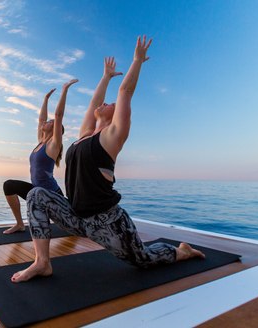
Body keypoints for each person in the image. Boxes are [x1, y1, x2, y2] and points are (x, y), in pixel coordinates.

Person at [12, 36, 205, 282]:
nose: (106, 102)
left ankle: (181, 252)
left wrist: (136, 61)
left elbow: (125, 91)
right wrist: (105, 77)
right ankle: (42, 263)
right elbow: (94, 102)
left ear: (116, 115)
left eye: (111, 103)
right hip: (76, 215)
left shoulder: (113, 136)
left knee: (143, 260)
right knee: (35, 195)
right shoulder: (84, 136)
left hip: (108, 222)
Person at [2, 79, 79, 234]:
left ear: (56, 129)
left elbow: (58, 115)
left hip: (52, 194)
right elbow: (41, 120)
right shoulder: (40, 142)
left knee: (72, 226)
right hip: (36, 192)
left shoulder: (53, 145)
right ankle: (20, 224)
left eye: (50, 122)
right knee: (9, 185)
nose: (46, 122)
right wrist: (45, 99)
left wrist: (64, 90)